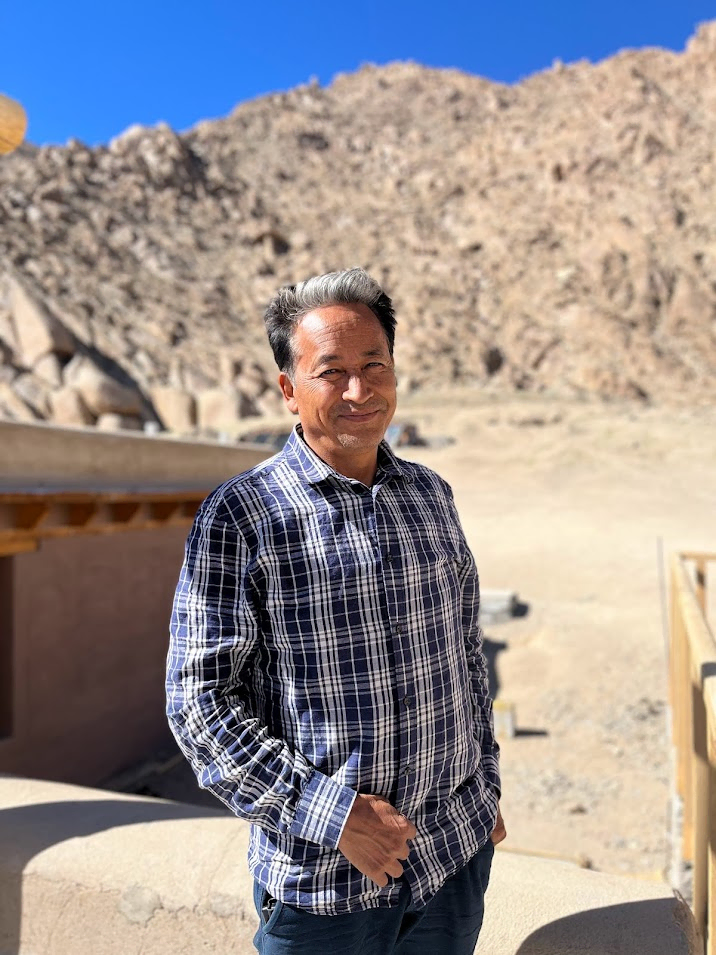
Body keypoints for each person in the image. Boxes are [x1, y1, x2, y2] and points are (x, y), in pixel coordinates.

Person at [166, 267, 504, 955]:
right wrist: (335, 814)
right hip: (326, 887)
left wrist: (485, 783)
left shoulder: (431, 496)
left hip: (453, 861)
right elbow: (198, 703)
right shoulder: (243, 515)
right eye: (332, 371)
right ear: (290, 390)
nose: (359, 389)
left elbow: (466, 650)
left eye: (373, 364)